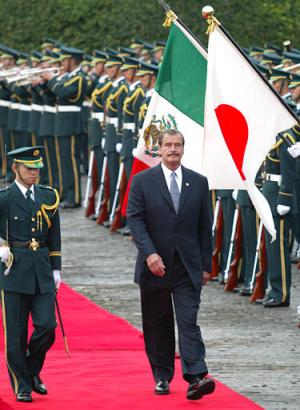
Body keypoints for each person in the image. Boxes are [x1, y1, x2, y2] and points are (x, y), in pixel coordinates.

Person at [127, 129, 215, 401]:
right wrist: (150, 253)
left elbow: (204, 227)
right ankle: (162, 376)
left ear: (183, 149)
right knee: (158, 323)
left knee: (188, 321)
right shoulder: (143, 181)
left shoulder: (198, 182)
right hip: (155, 266)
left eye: (178, 145)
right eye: (168, 145)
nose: (173, 149)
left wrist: (206, 265)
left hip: (187, 267)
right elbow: (135, 220)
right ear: (160, 149)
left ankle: (197, 376)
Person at [0, 146, 61, 402]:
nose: (34, 173)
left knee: (47, 326)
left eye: (37, 168)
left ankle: (31, 369)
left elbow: (54, 234)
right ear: (15, 168)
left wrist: (56, 268)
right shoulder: (4, 198)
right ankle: (22, 385)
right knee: (15, 334)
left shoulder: (48, 196)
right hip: (14, 269)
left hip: (41, 269)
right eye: (28, 168)